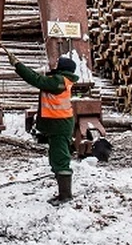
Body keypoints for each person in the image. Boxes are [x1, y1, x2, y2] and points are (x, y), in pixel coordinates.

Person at [7, 52, 79, 205]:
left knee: (60, 159)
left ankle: (65, 196)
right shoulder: (60, 80)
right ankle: (63, 194)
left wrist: (18, 65)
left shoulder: (59, 81)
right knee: (56, 158)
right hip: (59, 125)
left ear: (62, 69)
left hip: (60, 125)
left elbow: (36, 79)